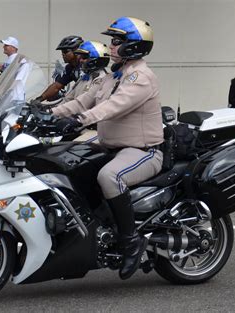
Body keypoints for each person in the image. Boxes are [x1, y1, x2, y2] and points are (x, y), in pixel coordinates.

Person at [52, 17, 163, 280]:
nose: (111, 46)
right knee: (71, 164)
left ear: (133, 46)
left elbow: (113, 107)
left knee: (108, 177)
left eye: (117, 41)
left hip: (142, 151)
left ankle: (131, 241)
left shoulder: (141, 77)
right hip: (111, 147)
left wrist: (80, 121)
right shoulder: (113, 75)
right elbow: (81, 101)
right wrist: (45, 114)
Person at [36, 35, 83, 102]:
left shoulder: (86, 66)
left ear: (76, 50)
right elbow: (56, 86)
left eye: (65, 51)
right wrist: (39, 99)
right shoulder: (70, 67)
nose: (62, 54)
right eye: (62, 52)